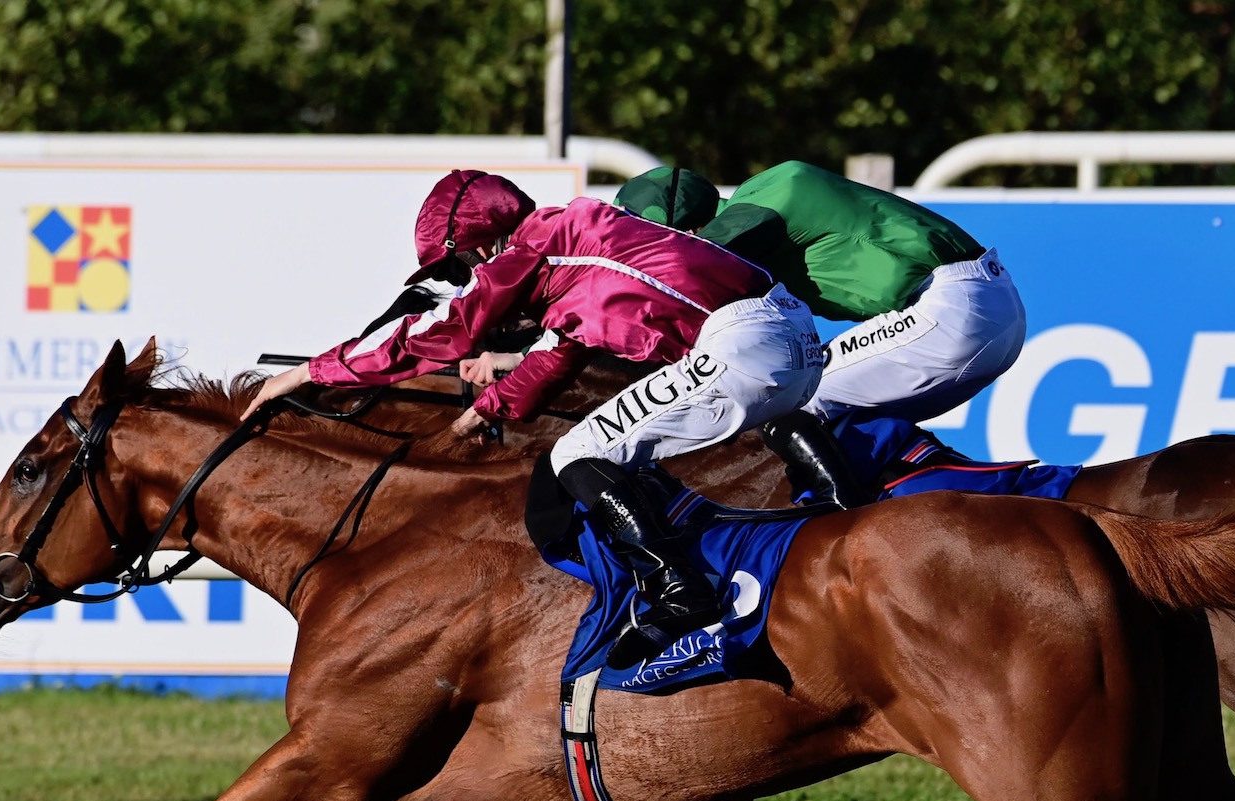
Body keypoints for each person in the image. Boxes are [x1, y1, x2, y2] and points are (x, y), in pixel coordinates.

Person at [246, 169, 846, 644]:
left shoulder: (533, 248)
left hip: (743, 343)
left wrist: (310, 372)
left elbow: (446, 330)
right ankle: (840, 501)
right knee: (615, 449)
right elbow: (558, 354)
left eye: (457, 265)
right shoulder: (571, 244)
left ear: (481, 243)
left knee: (578, 454)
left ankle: (680, 589)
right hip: (791, 337)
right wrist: (485, 412)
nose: (462, 278)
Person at [613, 160, 1028, 498]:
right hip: (983, 304)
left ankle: (846, 517)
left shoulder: (768, 197)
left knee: (789, 401)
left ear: (678, 229)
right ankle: (949, 491)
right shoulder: (758, 208)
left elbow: (690, 265)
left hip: (952, 307)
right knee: (843, 422)